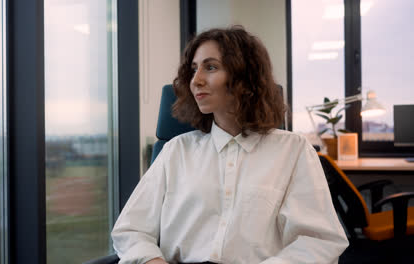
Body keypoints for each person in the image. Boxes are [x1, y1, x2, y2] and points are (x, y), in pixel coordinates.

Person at [112, 26, 348, 264]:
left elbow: (318, 241)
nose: (196, 80)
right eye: (194, 70)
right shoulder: (176, 150)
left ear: (245, 78)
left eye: (211, 67)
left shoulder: (293, 151)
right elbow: (130, 230)